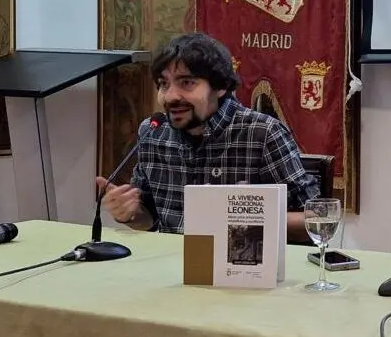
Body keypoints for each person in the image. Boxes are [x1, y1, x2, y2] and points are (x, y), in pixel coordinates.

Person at [97, 32, 320, 241]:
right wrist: (130, 213)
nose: (171, 96)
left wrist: (249, 219)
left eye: (187, 82)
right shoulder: (153, 132)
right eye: (164, 84)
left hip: (241, 270)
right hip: (170, 269)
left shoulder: (262, 133)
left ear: (220, 86)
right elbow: (150, 219)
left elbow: (317, 220)